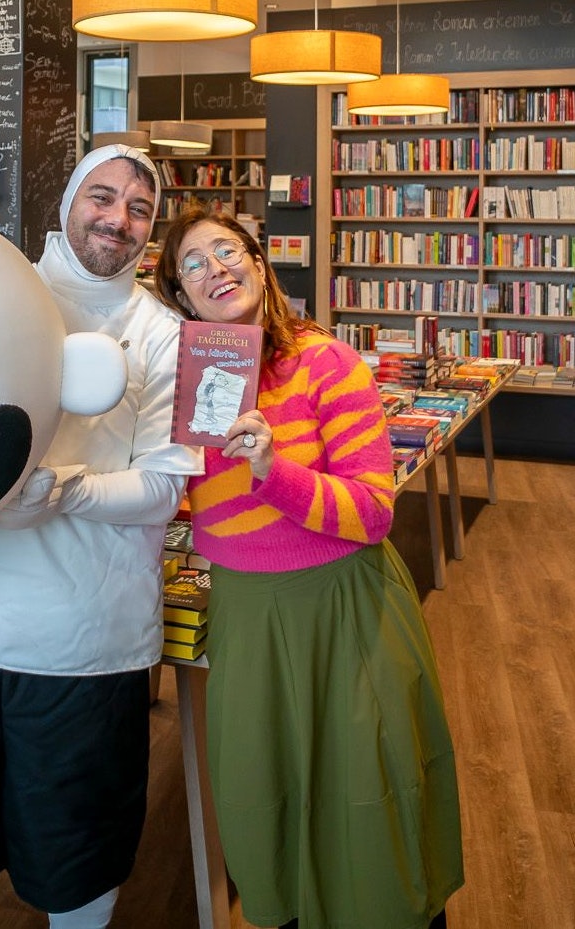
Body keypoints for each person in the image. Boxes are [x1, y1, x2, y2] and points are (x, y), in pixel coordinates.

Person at [0, 144, 202, 929]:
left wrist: (62, 489)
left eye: (138, 207)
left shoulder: (169, 334)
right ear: (65, 203)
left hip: (87, 651)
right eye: (102, 196)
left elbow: (164, 487)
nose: (118, 218)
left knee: (77, 863)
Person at [154, 203, 463, 929]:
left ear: (259, 266)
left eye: (226, 251)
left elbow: (372, 511)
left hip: (343, 610)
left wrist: (271, 467)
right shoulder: (189, 382)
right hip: (247, 619)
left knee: (370, 794)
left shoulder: (324, 360)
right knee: (268, 797)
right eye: (192, 264)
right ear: (180, 296)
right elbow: (188, 506)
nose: (214, 269)